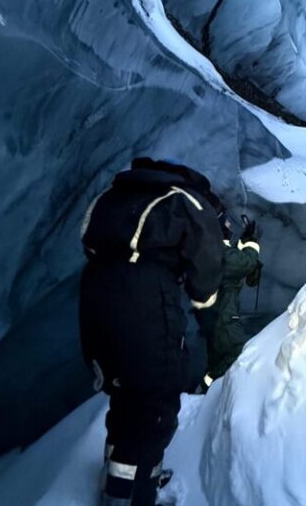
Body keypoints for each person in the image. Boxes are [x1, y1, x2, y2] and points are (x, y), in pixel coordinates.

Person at [79, 157, 225, 505]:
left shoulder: (115, 195)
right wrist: (208, 317)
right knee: (154, 402)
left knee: (125, 394)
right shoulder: (186, 200)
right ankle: (135, 497)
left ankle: (119, 482)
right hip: (144, 298)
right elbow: (207, 266)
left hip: (95, 292)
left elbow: (87, 239)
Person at [197, 218, 262, 392]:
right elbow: (243, 263)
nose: (229, 225)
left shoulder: (212, 248)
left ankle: (209, 392)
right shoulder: (216, 250)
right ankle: (206, 388)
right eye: (225, 222)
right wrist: (253, 243)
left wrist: (243, 241)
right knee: (238, 352)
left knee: (219, 357)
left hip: (216, 315)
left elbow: (233, 257)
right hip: (223, 316)